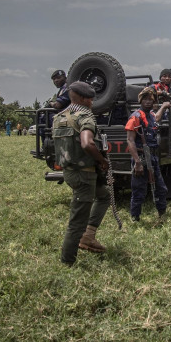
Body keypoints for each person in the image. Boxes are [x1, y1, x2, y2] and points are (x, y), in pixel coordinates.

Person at [52, 81, 111, 266]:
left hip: (69, 172)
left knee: (104, 196)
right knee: (77, 221)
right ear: (84, 99)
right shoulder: (85, 116)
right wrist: (102, 161)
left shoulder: (59, 116)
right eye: (91, 100)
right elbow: (87, 143)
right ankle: (67, 262)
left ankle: (89, 235)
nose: (92, 103)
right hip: (84, 175)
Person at [125, 87, 169, 222]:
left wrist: (164, 107)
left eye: (151, 99)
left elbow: (157, 117)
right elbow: (130, 140)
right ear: (140, 100)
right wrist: (137, 162)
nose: (148, 102)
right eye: (145, 99)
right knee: (139, 190)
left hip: (153, 157)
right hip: (141, 158)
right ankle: (135, 218)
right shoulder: (135, 117)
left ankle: (162, 214)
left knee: (161, 188)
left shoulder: (150, 115)